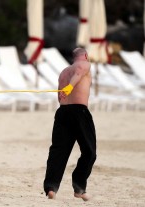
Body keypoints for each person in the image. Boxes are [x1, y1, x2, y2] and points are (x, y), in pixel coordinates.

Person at [43, 48, 97, 201]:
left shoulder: (63, 72)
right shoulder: (84, 64)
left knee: (58, 151)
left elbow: (60, 98)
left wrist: (67, 89)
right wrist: (70, 87)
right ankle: (79, 188)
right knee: (89, 152)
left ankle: (51, 187)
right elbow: (78, 73)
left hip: (62, 112)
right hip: (79, 111)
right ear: (85, 56)